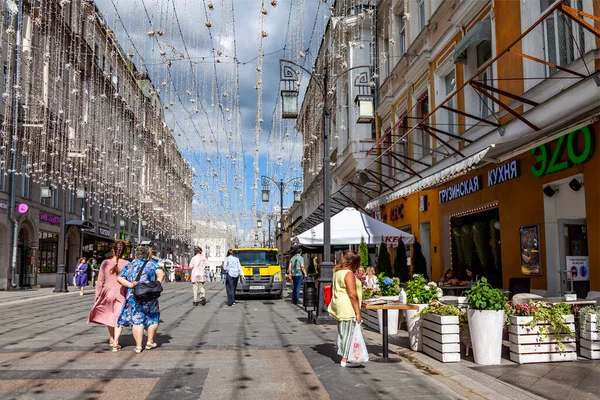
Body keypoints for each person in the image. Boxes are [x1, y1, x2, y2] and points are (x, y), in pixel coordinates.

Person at [115, 245, 165, 354]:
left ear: (136, 254)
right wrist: (157, 284)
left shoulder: (130, 265)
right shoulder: (153, 264)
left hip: (134, 295)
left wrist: (130, 284)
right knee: (153, 317)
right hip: (150, 295)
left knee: (137, 320)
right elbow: (161, 274)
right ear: (148, 254)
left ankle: (138, 346)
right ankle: (149, 342)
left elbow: (119, 278)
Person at [87, 242, 129, 351]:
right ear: (124, 252)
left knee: (110, 315)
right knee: (118, 317)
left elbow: (100, 281)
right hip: (121, 292)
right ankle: (116, 342)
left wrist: (97, 295)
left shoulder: (105, 262)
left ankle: (112, 337)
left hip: (107, 292)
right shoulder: (127, 263)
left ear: (113, 250)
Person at [327, 250, 363, 368]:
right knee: (348, 334)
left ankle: (344, 355)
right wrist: (358, 312)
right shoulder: (348, 274)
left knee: (343, 333)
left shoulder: (337, 272)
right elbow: (352, 294)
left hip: (339, 305)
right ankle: (345, 359)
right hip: (347, 307)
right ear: (354, 263)